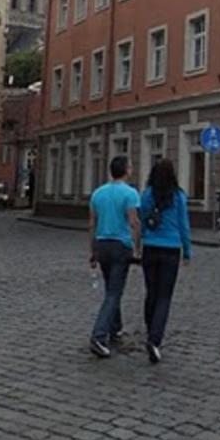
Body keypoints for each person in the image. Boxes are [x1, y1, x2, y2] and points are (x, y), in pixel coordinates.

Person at [88, 156, 141, 358]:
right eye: (130, 166)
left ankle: (115, 329)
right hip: (120, 246)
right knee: (114, 293)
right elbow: (134, 222)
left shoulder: (98, 193)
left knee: (112, 287)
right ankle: (98, 336)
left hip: (102, 245)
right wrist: (137, 248)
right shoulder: (130, 193)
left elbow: (92, 224)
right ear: (126, 170)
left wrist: (92, 251)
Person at [140, 159, 191, 364]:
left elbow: (143, 220)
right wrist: (187, 251)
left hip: (150, 249)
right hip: (171, 250)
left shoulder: (147, 195)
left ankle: (149, 330)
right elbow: (184, 225)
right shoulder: (178, 196)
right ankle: (155, 339)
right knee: (164, 296)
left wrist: (143, 239)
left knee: (151, 292)